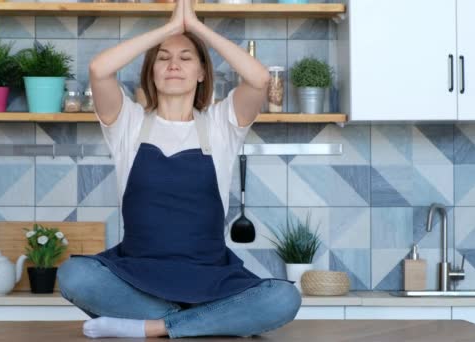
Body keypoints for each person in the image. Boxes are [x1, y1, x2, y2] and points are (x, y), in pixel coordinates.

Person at [57, 0, 301, 338]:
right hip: (138, 274)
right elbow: (100, 69)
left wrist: (197, 28)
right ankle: (202, 323)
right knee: (74, 276)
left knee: (284, 297)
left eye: (186, 58)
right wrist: (170, 28)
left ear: (202, 73)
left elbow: (258, 78)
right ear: (151, 72)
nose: (174, 64)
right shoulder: (127, 123)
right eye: (163, 58)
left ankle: (154, 327)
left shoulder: (220, 125)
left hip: (210, 276)